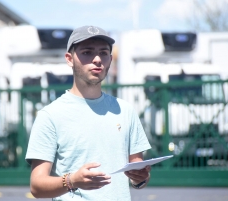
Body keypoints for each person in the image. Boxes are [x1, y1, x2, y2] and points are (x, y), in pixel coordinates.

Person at [25, 25, 151, 201]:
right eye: (87, 52)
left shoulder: (125, 110)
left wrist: (140, 178)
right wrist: (72, 181)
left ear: (110, 59)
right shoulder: (50, 115)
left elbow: (138, 174)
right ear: (69, 59)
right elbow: (37, 187)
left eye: (104, 53)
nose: (97, 59)